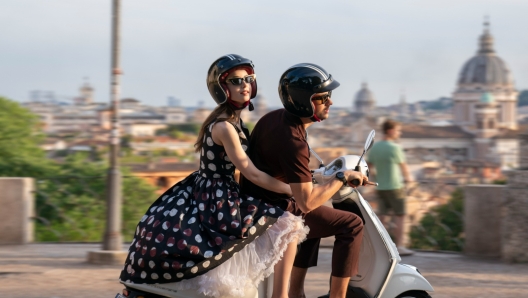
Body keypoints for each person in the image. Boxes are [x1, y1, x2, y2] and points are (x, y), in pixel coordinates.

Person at [119, 54, 308, 298]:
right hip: (218, 197)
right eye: (236, 81)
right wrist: (293, 189)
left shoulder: (232, 122)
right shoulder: (224, 127)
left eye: (249, 79)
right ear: (222, 88)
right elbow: (252, 173)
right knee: (287, 223)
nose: (245, 86)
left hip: (212, 191)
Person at [241, 63, 370, 298]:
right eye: (322, 98)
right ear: (303, 101)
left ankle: (296, 292)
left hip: (257, 201)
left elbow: (283, 168)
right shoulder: (294, 142)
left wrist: (319, 176)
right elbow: (306, 202)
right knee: (351, 225)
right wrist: (341, 177)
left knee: (315, 222)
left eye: (328, 95)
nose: (330, 101)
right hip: (273, 209)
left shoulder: (274, 118)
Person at [366, 119, 414, 256]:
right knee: (400, 216)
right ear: (390, 131)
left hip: (380, 187)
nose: (400, 133)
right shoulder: (395, 148)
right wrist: (410, 180)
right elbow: (404, 168)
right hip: (395, 186)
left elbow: (368, 167)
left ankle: (382, 247)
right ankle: (400, 246)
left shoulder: (374, 148)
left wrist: (374, 179)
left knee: (382, 217)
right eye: (398, 130)